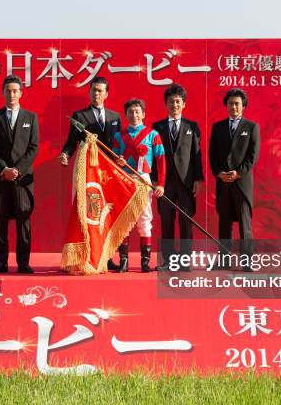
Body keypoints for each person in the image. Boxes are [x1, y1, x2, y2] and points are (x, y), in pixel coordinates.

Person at [58, 76, 123, 271]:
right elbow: (72, 141)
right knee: (87, 211)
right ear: (89, 92)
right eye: (94, 90)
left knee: (107, 212)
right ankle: (85, 255)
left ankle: (107, 255)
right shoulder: (80, 116)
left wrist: (122, 160)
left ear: (106, 94)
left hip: (108, 172)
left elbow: (120, 145)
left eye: (100, 90)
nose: (97, 93)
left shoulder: (114, 117)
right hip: (87, 170)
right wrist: (65, 155)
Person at [0, 75, 39, 274]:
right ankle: (0, 263)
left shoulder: (30, 117)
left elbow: (33, 148)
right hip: (0, 178)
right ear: (2, 92)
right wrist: (4, 169)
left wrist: (17, 171)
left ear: (21, 93)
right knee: (0, 221)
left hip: (22, 179)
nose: (12, 94)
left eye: (15, 90)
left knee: (23, 221)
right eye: (8, 90)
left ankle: (23, 263)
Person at [152, 84, 204, 271]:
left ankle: (184, 261)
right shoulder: (157, 127)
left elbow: (197, 155)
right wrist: (154, 179)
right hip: (164, 183)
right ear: (165, 104)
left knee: (185, 223)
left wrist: (198, 179)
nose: (174, 104)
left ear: (184, 104)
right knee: (166, 222)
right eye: (171, 101)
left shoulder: (192, 126)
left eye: (178, 101)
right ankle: (168, 260)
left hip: (186, 183)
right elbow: (153, 155)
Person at [209, 88, 260, 271]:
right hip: (223, 183)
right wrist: (219, 173)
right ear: (226, 105)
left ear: (243, 106)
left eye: (237, 103)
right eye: (230, 103)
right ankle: (224, 260)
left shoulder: (252, 127)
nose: (234, 106)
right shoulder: (218, 127)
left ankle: (247, 262)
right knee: (225, 224)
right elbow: (212, 155)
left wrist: (238, 173)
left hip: (242, 184)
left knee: (245, 226)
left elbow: (252, 158)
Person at [112, 98, 166, 273]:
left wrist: (161, 184)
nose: (134, 115)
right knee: (124, 221)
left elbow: (161, 161)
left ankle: (145, 262)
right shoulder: (118, 136)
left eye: (137, 111)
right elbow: (112, 160)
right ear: (125, 115)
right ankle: (124, 261)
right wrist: (117, 161)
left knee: (144, 219)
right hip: (124, 180)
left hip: (143, 180)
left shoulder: (153, 135)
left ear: (143, 114)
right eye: (130, 112)